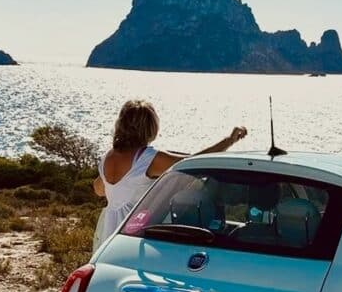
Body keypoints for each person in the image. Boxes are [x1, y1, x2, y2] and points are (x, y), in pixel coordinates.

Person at [92, 99, 247, 250]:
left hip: (109, 240)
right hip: (135, 239)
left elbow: (98, 189)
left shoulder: (108, 157)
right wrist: (229, 141)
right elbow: (193, 163)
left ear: (121, 124)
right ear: (150, 127)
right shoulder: (147, 158)